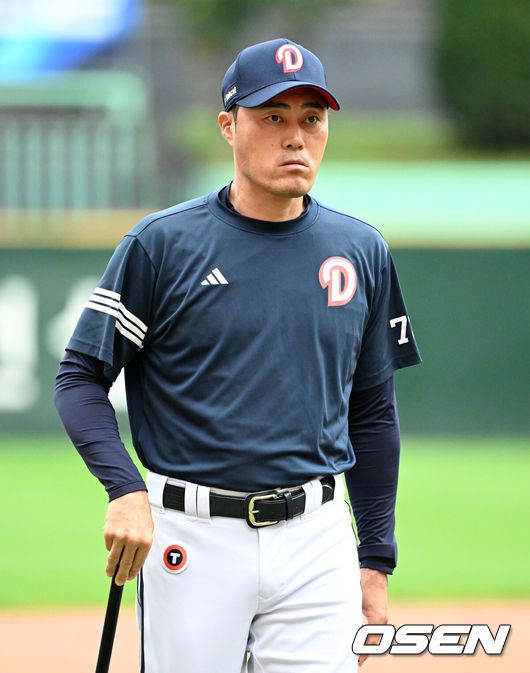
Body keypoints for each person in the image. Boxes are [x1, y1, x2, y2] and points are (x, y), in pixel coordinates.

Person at [55, 38, 421, 673]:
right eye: (272, 116)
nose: (296, 137)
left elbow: (372, 413)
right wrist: (124, 489)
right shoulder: (161, 245)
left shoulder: (361, 250)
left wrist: (376, 559)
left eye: (312, 118)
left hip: (318, 538)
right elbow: (80, 377)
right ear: (228, 126)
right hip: (191, 538)